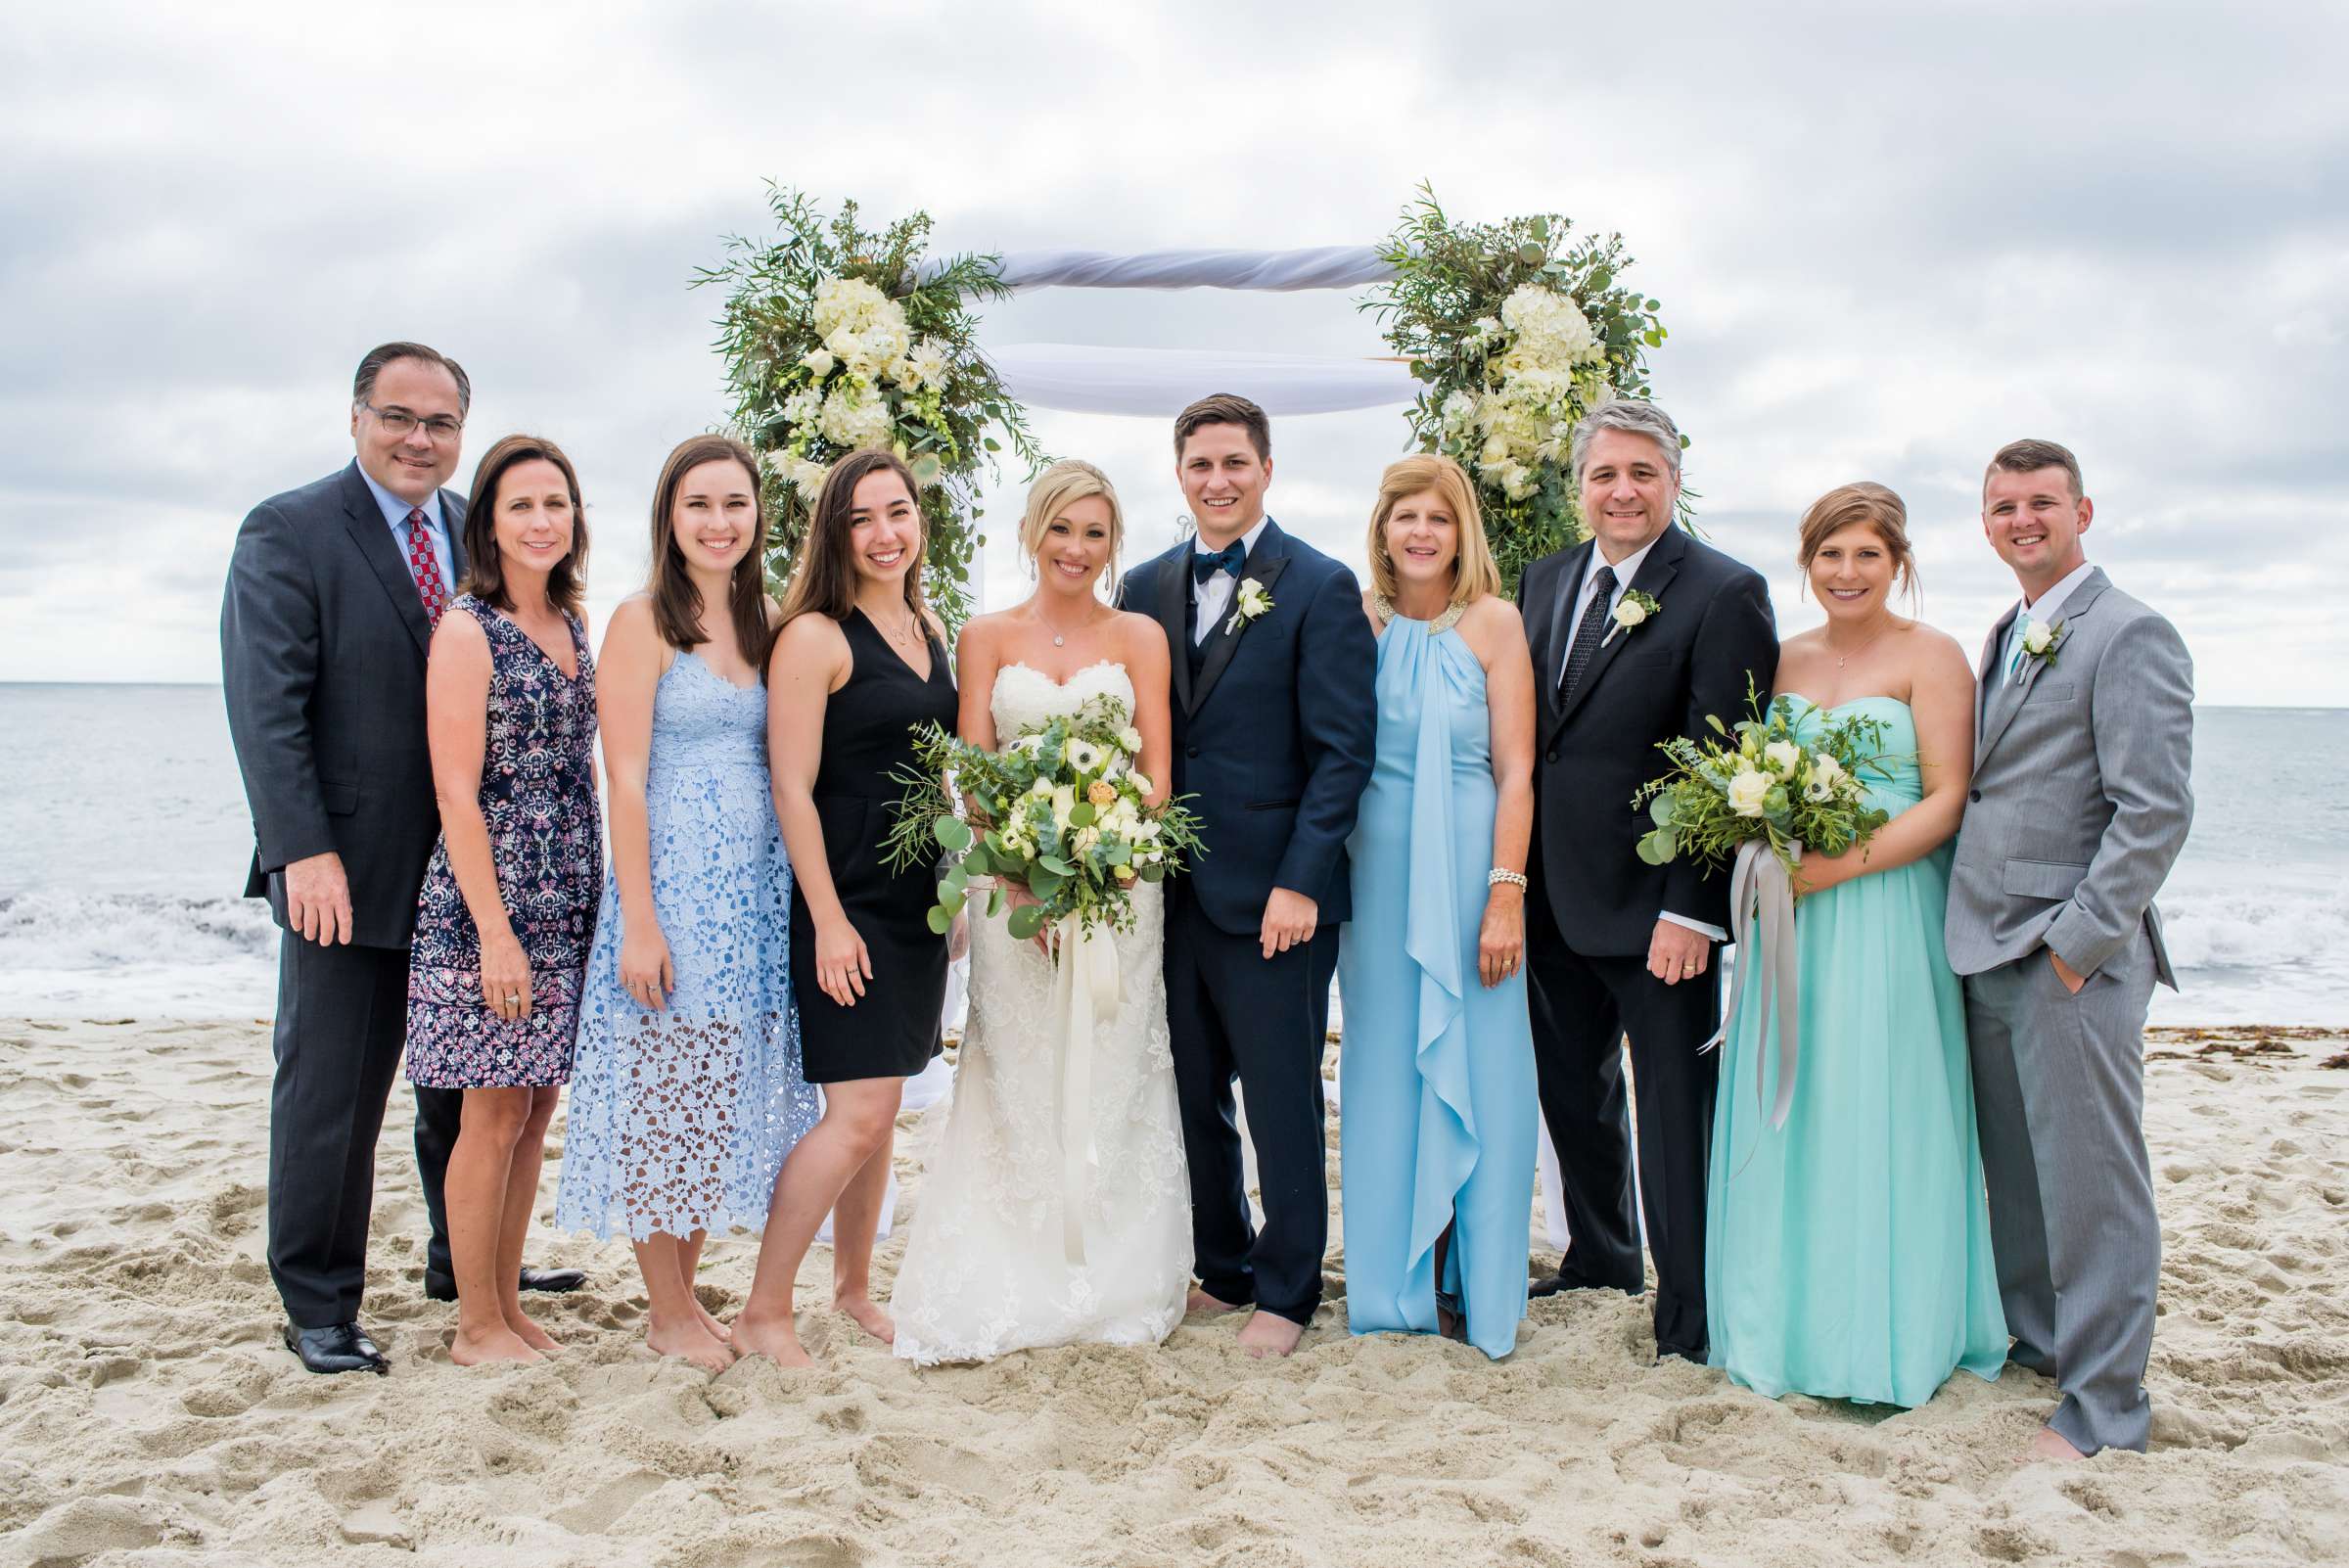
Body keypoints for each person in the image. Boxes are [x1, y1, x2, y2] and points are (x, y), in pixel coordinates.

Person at [220, 343, 579, 1380]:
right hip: (353, 869)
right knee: (335, 1090)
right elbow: (267, 709)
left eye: (439, 423)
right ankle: (319, 1302)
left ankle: (458, 1267)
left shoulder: (486, 526)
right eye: (398, 416)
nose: (419, 439)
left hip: (478, 874)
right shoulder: (288, 531)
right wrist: (301, 852)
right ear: (355, 418)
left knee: (467, 1093)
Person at [1704, 482, 2006, 1406]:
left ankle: (1888, 1329)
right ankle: (1784, 1326)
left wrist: (1838, 870)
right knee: (1791, 1109)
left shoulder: (1934, 656)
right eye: (1830, 556)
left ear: (1898, 563)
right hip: (1787, 915)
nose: (1847, 572)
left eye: (1867, 555)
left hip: (1883, 909)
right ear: (1807, 565)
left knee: (1882, 1101)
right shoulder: (1782, 660)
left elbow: (1947, 797)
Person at [890, 460, 1192, 1364]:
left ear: (1114, 544)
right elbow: (974, 774)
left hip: (1118, 892)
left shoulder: (1140, 634)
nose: (1076, 548)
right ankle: (1013, 1262)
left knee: (1115, 1065)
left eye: (1095, 533)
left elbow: (1161, 777)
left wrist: (1104, 868)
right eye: (1062, 528)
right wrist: (1021, 878)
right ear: (1031, 532)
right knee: (1013, 1066)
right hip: (1009, 890)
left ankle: (1114, 1270)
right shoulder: (985, 636)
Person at [1514, 399, 1776, 1364]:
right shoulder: (1543, 583)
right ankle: (1602, 1256)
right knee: (1573, 1097)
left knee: (1674, 1113)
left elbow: (1726, 766)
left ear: (1673, 480)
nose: (1622, 491)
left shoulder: (1723, 591)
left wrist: (1694, 913)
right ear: (1579, 486)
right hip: (1551, 899)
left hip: (1658, 907)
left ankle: (1693, 1314)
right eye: (1603, 475)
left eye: (1641, 474)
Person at [1115, 393, 1377, 1358]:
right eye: (1199, 466)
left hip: (1277, 897)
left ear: (1265, 469)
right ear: (1179, 476)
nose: (1217, 481)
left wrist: (1303, 881)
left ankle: (1290, 1288)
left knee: (1281, 1097)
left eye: (1233, 463)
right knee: (1186, 1093)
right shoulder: (1142, 586)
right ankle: (1220, 1270)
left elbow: (1343, 751)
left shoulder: (1320, 584)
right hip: (1164, 891)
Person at [1946, 439, 2193, 1458]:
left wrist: (2077, 947)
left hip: (2066, 960)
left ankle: (2104, 1411)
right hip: (1986, 952)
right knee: (2023, 1180)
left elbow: (2156, 811)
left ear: (2083, 513)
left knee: (2094, 1190)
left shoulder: (2130, 633)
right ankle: (2043, 1350)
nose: (2022, 520)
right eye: (2003, 505)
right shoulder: (2009, 630)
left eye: (2041, 503)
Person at [554, 436, 821, 1372]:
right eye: (699, 504)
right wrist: (640, 920)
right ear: (670, 515)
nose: (719, 523)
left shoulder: (773, 620)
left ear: (758, 516)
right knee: (661, 1096)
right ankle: (666, 1311)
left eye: (736, 505)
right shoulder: (640, 622)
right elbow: (622, 779)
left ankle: (685, 1297)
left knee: (714, 1100)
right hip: (671, 885)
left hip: (752, 893)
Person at [733, 449, 957, 1366]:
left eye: (897, 513)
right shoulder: (814, 636)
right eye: (862, 519)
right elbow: (790, 786)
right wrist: (825, 917)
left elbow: (940, 771)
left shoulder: (929, 624)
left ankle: (854, 1289)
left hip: (916, 902)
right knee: (855, 1114)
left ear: (919, 520)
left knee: (884, 1107)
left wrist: (962, 885)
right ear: (835, 531)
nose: (884, 534)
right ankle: (763, 1308)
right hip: (848, 892)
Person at [403, 434, 600, 1366]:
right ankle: (474, 1323)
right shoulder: (466, 627)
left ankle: (507, 1303)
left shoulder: (575, 621)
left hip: (570, 896)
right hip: (495, 901)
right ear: (488, 521)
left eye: (555, 502)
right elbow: (454, 791)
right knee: (489, 1112)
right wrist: (495, 933)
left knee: (535, 1106)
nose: (541, 520)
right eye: (520, 504)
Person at [1338, 454, 1538, 1360]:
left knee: (1485, 1076)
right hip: (1374, 876)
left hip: (1469, 874)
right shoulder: (1357, 622)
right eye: (1405, 516)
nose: (1421, 532)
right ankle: (1393, 1289)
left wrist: (1506, 895)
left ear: (1464, 533)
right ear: (1383, 528)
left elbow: (1517, 770)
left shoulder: (1496, 625)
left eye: (1440, 518)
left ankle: (1480, 1290)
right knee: (1382, 1071)